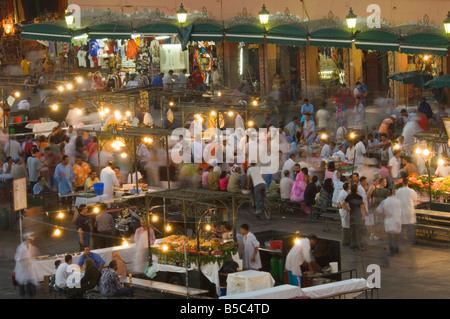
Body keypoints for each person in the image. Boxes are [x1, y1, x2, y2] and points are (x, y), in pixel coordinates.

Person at [340, 184, 367, 251]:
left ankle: (353, 244)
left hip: (352, 214)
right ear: (357, 189)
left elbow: (342, 204)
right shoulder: (359, 197)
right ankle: (359, 245)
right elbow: (362, 208)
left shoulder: (349, 196)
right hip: (358, 215)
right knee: (359, 230)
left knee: (352, 230)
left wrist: (347, 209)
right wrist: (364, 217)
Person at [377, 189, 402, 256]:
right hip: (398, 220)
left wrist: (384, 214)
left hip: (389, 220)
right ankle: (397, 249)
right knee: (396, 235)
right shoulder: (398, 200)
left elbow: (379, 210)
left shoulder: (385, 201)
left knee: (390, 236)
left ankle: (392, 250)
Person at [14, 232, 38, 298]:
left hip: (28, 266)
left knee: (30, 279)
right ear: (27, 240)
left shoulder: (30, 246)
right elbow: (17, 257)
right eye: (30, 240)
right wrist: (24, 261)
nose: (31, 242)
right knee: (22, 280)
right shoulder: (21, 247)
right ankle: (22, 294)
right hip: (22, 266)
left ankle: (30, 294)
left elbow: (30, 255)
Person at [396, 173, 418, 245]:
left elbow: (396, 199)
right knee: (410, 226)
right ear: (408, 183)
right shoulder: (411, 191)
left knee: (402, 226)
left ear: (402, 183)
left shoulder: (399, 191)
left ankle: (402, 240)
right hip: (409, 210)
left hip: (401, 210)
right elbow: (415, 199)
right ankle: (411, 240)